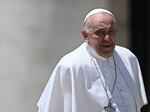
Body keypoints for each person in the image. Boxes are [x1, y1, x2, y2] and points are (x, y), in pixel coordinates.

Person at [37, 8, 147, 112]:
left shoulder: (128, 58)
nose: (107, 39)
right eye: (100, 33)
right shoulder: (70, 66)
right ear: (85, 35)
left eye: (111, 32)